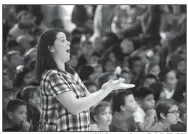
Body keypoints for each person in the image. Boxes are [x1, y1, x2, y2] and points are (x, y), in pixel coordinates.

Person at [35, 28, 134, 131]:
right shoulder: (52, 75)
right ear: (51, 48)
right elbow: (75, 107)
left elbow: (89, 102)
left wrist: (108, 88)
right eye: (62, 40)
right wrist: (105, 90)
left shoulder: (71, 73)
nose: (68, 43)